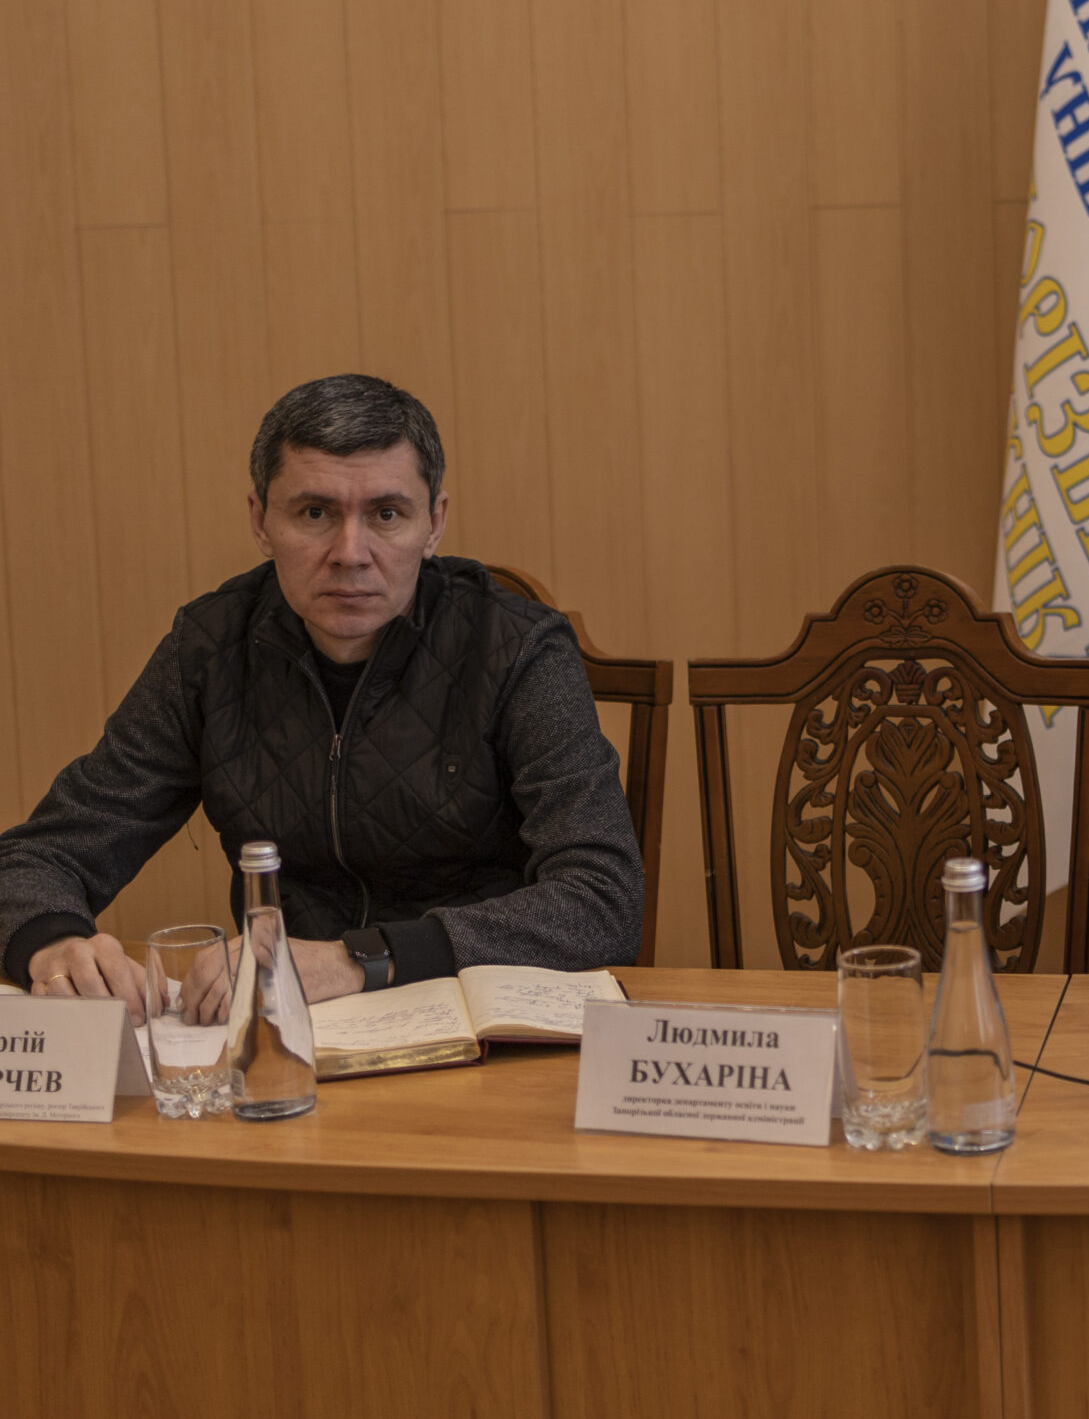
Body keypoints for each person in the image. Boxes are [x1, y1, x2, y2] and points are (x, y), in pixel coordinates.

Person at [0, 373, 643, 1018]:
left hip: (479, 1019)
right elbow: (36, 858)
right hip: (287, 1031)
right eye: (315, 513)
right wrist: (51, 945)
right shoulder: (209, 648)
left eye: (386, 514)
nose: (350, 553)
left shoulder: (516, 647)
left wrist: (358, 959)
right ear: (261, 521)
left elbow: (604, 900)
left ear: (434, 523)